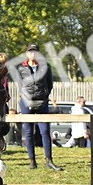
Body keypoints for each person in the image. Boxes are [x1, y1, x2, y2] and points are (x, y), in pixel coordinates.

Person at [16, 43, 62, 171]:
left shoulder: (45, 67)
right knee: (28, 132)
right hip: (26, 103)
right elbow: (20, 86)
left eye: (35, 52)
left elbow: (50, 84)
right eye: (30, 52)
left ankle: (49, 160)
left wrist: (45, 96)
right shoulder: (21, 68)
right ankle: (32, 160)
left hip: (42, 102)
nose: (33, 54)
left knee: (45, 131)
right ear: (27, 54)